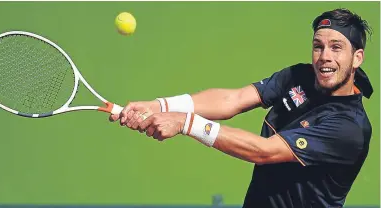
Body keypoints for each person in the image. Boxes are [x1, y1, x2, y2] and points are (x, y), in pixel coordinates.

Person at [110, 8, 374, 208]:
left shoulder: (349, 128)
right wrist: (160, 105)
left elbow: (264, 152)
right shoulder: (298, 76)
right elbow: (232, 100)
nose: (324, 56)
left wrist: (185, 123)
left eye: (336, 48)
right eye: (318, 46)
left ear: (357, 58)